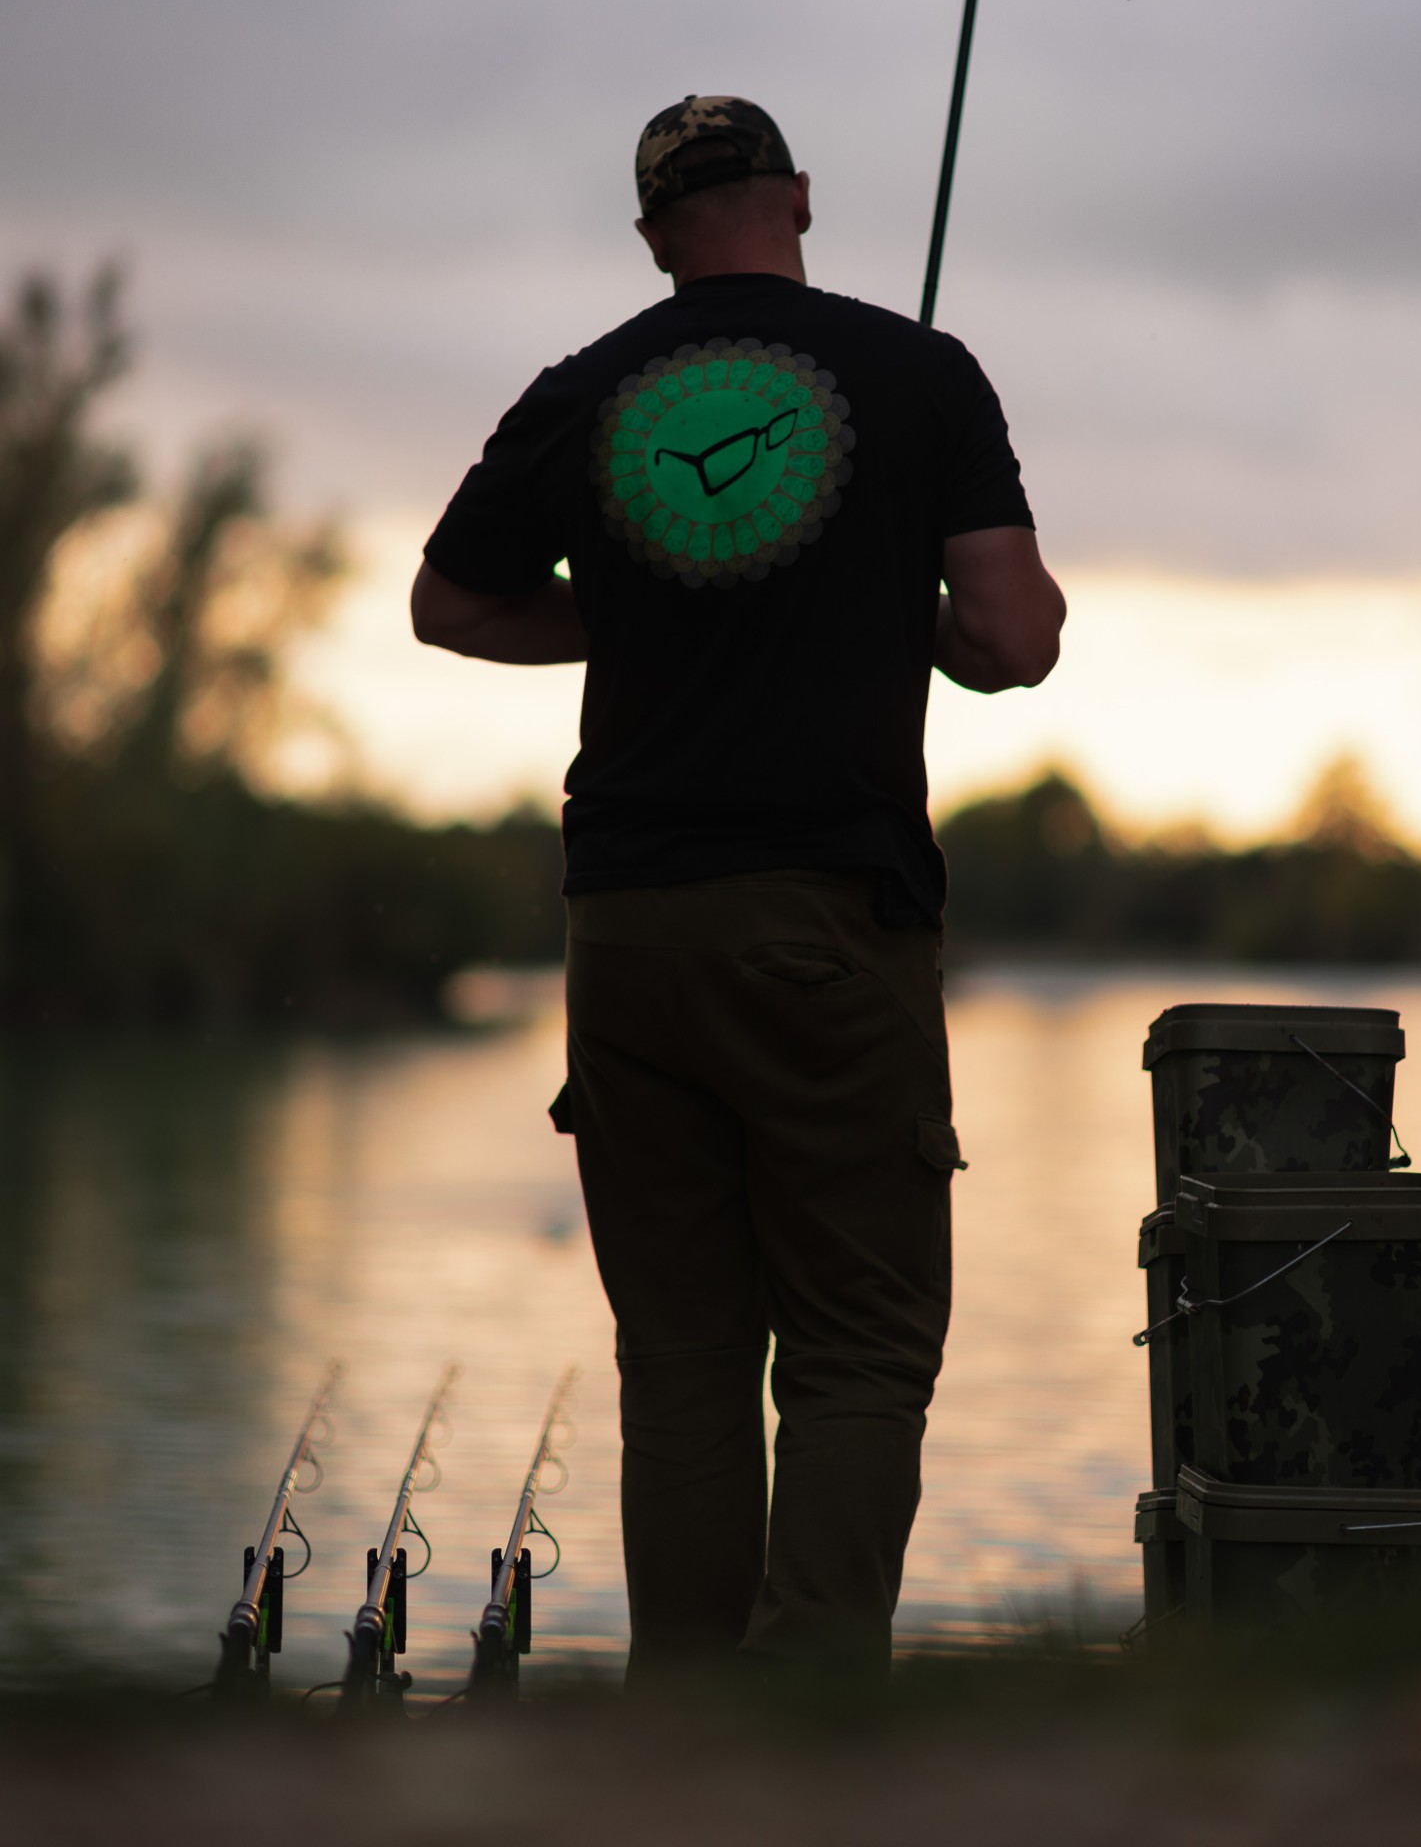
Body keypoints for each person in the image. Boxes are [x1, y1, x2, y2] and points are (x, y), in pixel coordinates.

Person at [412, 95, 1065, 1684]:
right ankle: (806, 1725)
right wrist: (893, 609)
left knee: (683, 1360)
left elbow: (449, 606)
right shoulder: (922, 374)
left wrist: (645, 613)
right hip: (828, 924)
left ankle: (689, 1735)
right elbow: (1012, 638)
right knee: (859, 1349)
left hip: (627, 932)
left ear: (654, 238)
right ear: (801, 198)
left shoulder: (581, 391)